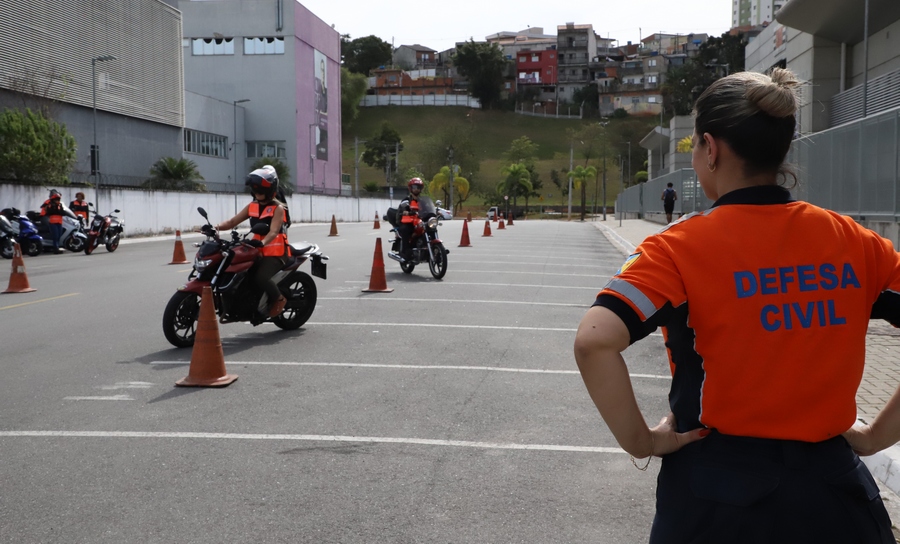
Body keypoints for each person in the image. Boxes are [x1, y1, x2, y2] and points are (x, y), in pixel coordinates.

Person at [573, 68, 898, 543]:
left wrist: (642, 441)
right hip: (835, 496)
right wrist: (874, 438)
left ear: (711, 148)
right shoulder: (855, 241)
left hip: (715, 495)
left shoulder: (677, 248)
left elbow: (594, 341)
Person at [212, 166, 288, 318]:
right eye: (256, 190)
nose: (258, 193)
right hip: (256, 251)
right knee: (238, 272)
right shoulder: (252, 206)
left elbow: (273, 231)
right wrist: (214, 228)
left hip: (276, 254)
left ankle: (279, 299)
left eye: (261, 190)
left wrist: (263, 242)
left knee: (261, 278)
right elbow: (232, 221)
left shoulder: (277, 208)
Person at [397, 177, 423, 261]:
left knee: (430, 227)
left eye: (418, 187)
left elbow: (428, 208)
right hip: (408, 222)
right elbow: (403, 207)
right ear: (410, 188)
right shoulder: (406, 200)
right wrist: (405, 211)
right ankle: (406, 252)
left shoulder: (422, 200)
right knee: (405, 229)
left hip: (418, 221)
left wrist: (436, 212)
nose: (416, 189)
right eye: (414, 187)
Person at [40, 189, 66, 254]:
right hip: (52, 222)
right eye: (56, 199)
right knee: (55, 236)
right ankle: (55, 248)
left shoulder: (60, 205)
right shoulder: (50, 204)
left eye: (58, 199)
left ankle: (57, 247)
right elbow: (49, 211)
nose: (57, 200)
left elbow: (63, 212)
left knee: (59, 235)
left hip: (59, 222)